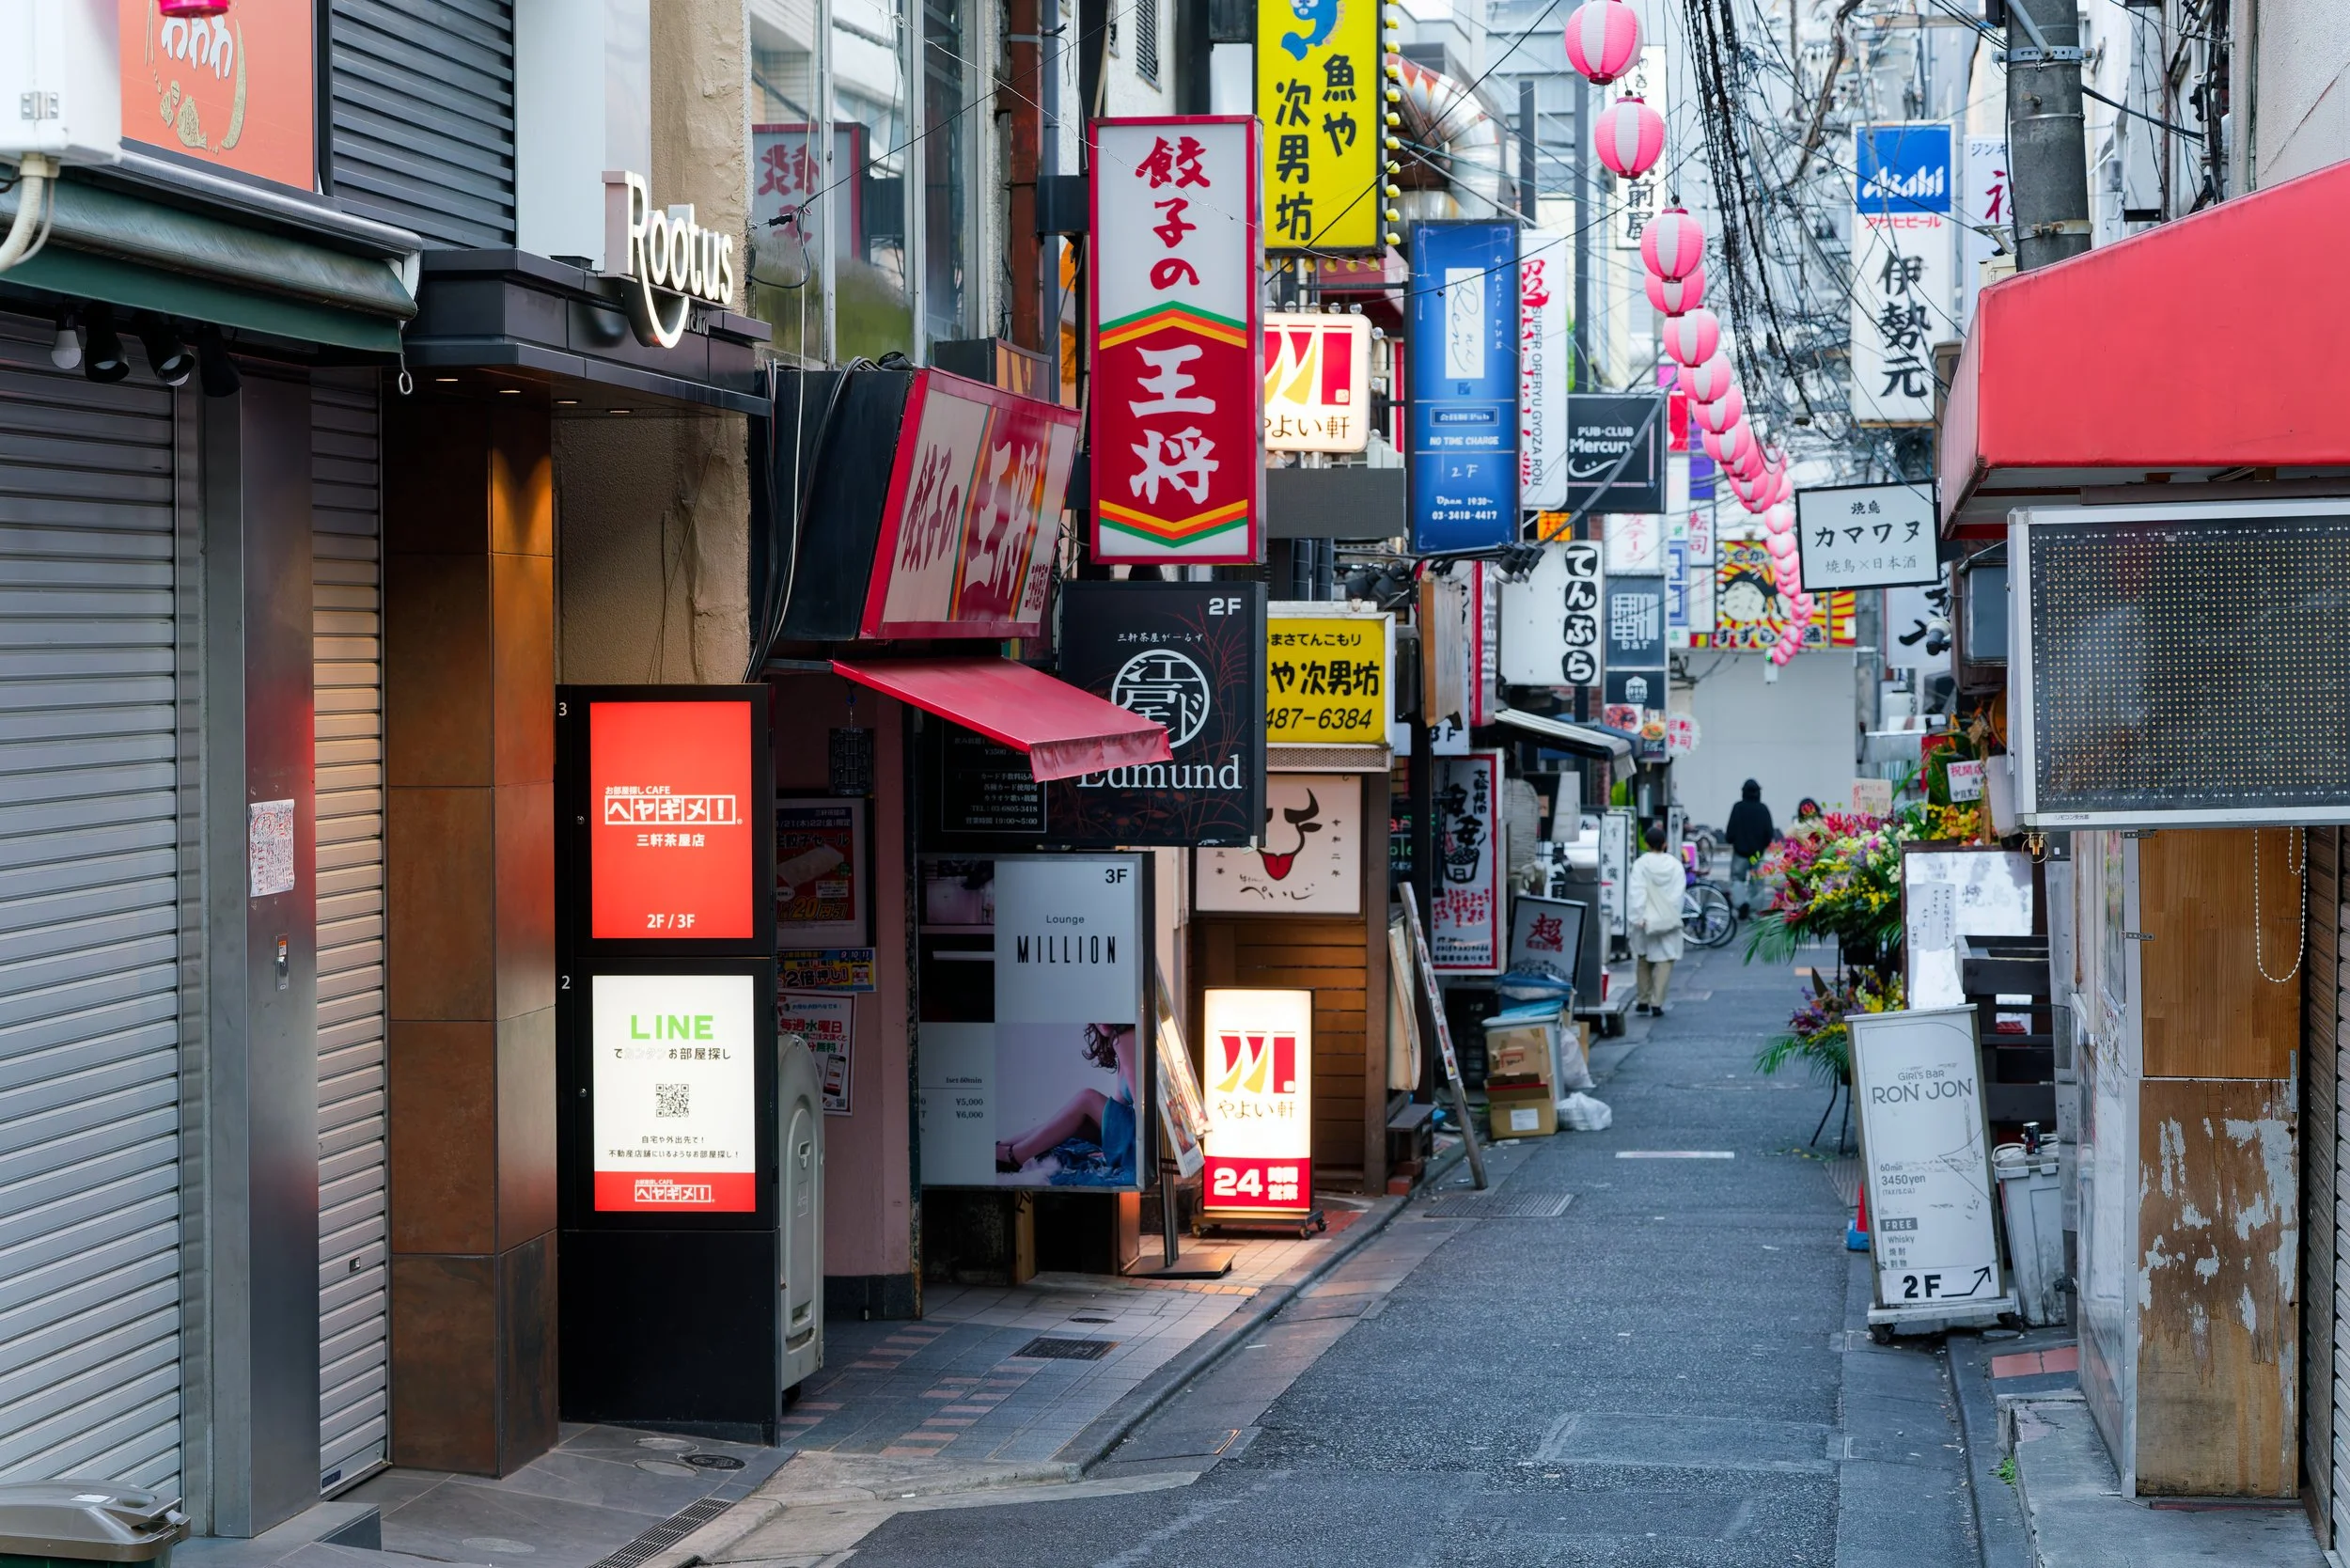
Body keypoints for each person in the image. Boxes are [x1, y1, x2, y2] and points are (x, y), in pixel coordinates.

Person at [994, 1023, 1137, 1185]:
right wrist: (1108, 1145)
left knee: (1087, 1097)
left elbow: (1142, 1107)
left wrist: (1114, 1147)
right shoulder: (1119, 1040)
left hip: (1139, 1143)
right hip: (1134, 1136)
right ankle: (1006, 1146)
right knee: (1070, 1123)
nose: (1102, 1020)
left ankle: (1014, 1156)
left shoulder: (1126, 1037)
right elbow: (1119, 1104)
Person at [1629, 823, 1686, 1016]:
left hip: (1645, 919)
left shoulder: (1641, 864)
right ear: (1665, 844)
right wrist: (1671, 913)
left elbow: (1637, 891)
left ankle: (1642, 999)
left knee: (1644, 958)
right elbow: (1679, 894)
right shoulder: (1675, 865)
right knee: (1665, 960)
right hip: (1668, 920)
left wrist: (1638, 916)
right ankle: (1657, 1002)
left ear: (1646, 844)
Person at [1725, 778, 1777, 917]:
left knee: (1737, 879)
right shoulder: (1763, 809)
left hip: (1740, 852)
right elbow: (1769, 832)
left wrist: (1731, 840)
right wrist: (1763, 845)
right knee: (1757, 883)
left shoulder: (1738, 807)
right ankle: (1752, 908)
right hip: (1757, 854)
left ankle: (1740, 903)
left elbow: (1730, 831)